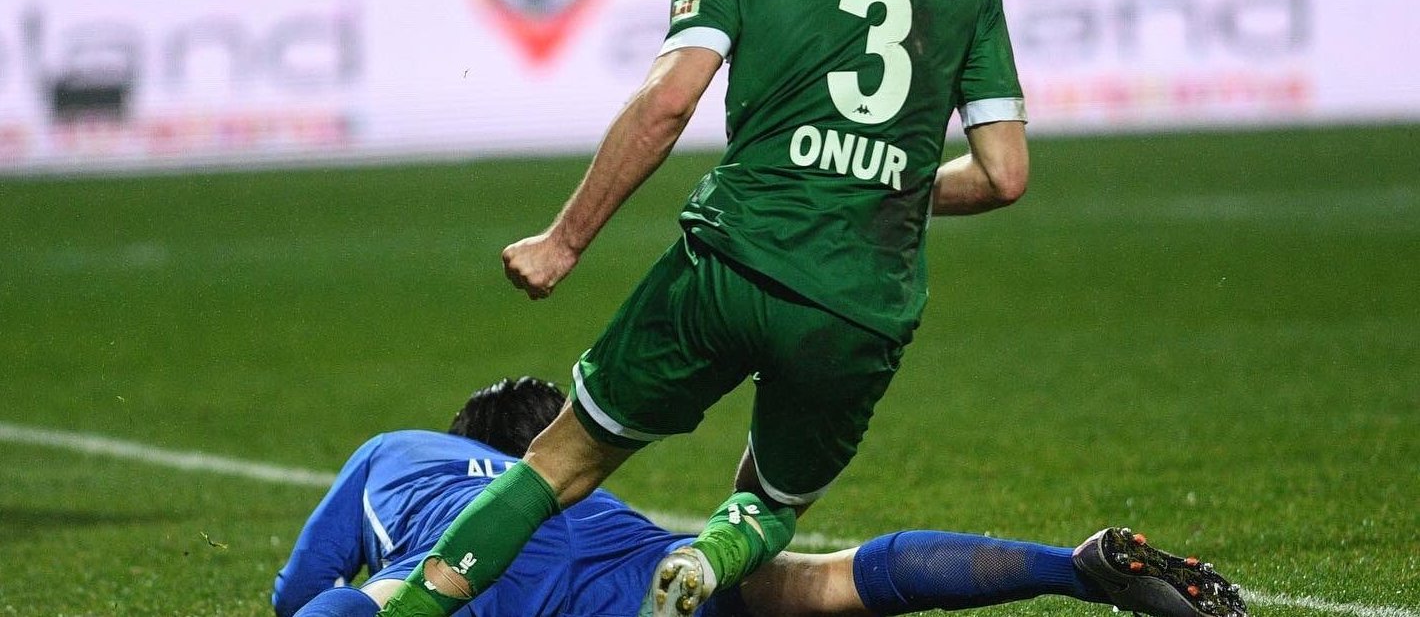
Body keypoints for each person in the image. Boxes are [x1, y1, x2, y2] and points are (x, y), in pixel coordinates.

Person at [382, 0, 1037, 617]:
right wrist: (873, 189)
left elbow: (666, 105)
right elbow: (1003, 174)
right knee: (770, 501)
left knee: (555, 465)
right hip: (858, 302)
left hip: (728, 267)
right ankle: (709, 556)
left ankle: (409, 611)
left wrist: (564, 241)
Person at [277, 377, 1247, 617]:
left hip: (459, 579)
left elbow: (299, 591)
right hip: (637, 562)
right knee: (822, 582)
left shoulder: (395, 453)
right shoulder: (569, 482)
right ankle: (1071, 569)